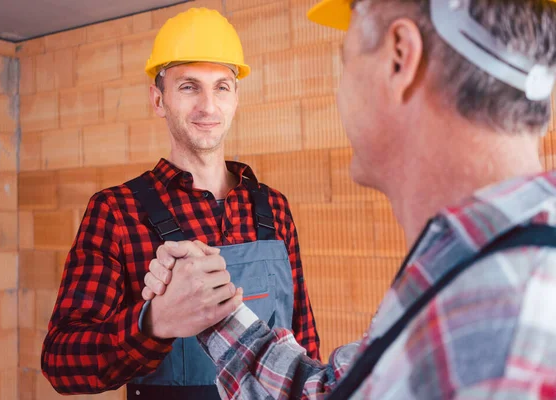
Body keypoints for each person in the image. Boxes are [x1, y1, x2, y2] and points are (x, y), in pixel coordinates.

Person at [144, 0, 556, 398]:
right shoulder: (473, 269)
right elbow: (329, 391)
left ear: (400, 57)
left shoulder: (502, 328)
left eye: (347, 60)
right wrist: (212, 306)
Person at [40, 7, 320, 399]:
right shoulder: (118, 212)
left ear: (235, 98)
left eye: (221, 86)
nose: (208, 106)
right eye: (189, 87)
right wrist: (152, 322)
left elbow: (304, 337)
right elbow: (61, 361)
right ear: (159, 100)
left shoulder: (273, 207)